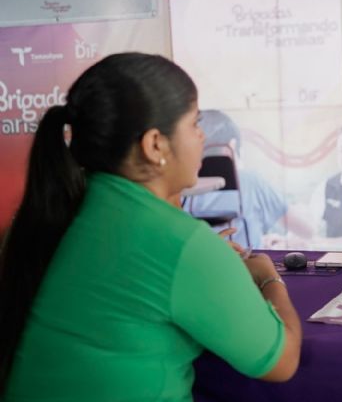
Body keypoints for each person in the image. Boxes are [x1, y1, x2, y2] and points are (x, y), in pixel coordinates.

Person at [0, 53, 302, 401]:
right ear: (155, 144)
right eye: (194, 124)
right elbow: (282, 362)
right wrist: (267, 276)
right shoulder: (180, 243)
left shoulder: (77, 211)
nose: (202, 137)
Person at [186, 109, 315, 250]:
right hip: (245, 268)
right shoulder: (249, 181)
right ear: (232, 145)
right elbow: (307, 230)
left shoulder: (184, 186)